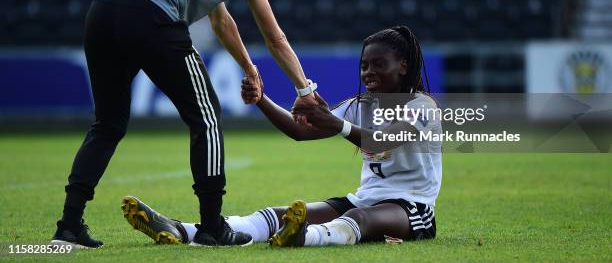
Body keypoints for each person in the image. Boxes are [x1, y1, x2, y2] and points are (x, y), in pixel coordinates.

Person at [51, 0, 320, 249]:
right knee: (206, 119)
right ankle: (212, 226)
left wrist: (248, 69)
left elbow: (222, 22)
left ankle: (69, 225)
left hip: (104, 8)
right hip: (152, 18)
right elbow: (276, 37)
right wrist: (304, 90)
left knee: (108, 124)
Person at [119, 26, 442, 247]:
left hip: (412, 207)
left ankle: (304, 237)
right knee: (278, 214)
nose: (368, 72)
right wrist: (261, 98)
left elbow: (381, 141)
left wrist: (334, 124)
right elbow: (299, 131)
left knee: (358, 218)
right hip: (365, 199)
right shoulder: (359, 107)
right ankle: (182, 229)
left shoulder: (422, 106)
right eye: (364, 66)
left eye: (378, 64)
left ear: (403, 65)